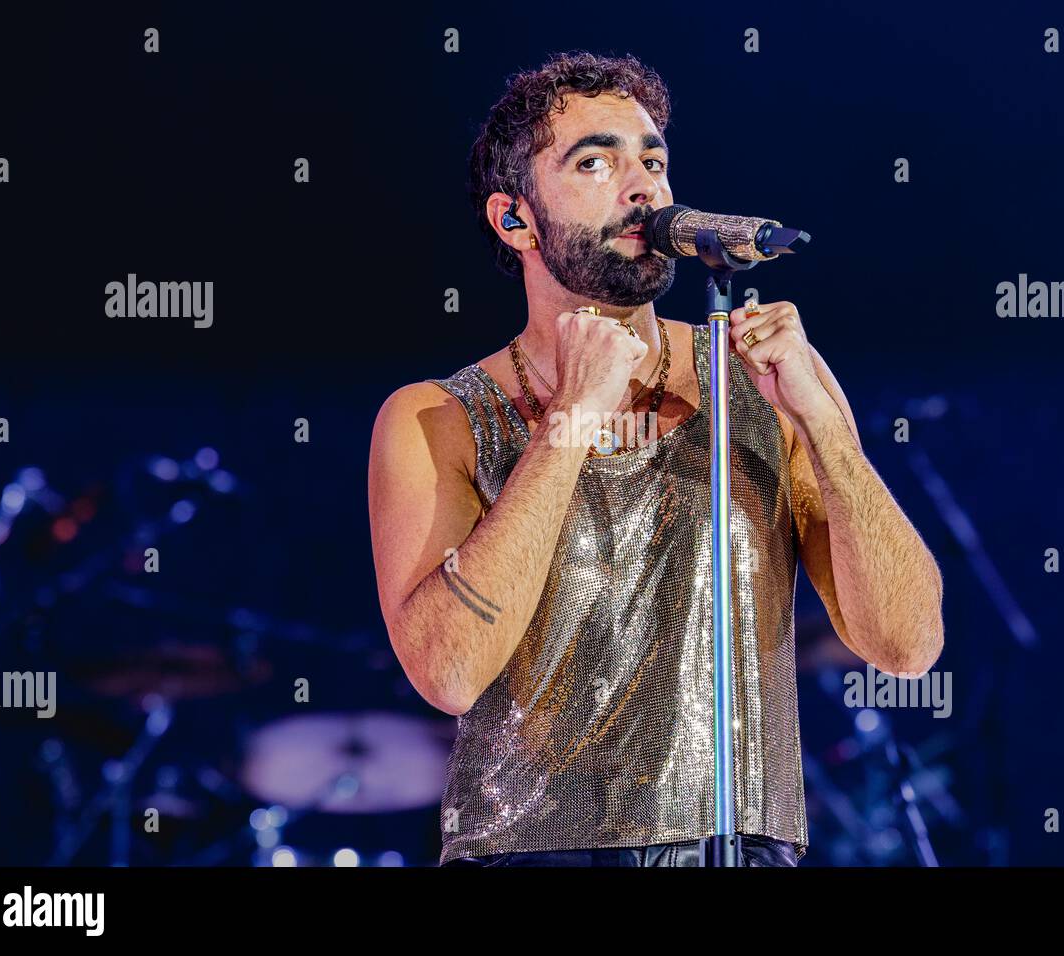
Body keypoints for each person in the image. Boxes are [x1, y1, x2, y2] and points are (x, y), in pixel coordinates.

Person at [367, 51, 944, 867]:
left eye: (653, 160)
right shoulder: (436, 417)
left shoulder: (762, 381)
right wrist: (571, 417)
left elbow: (907, 646)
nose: (642, 186)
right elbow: (449, 671)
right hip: (535, 855)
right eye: (595, 161)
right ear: (514, 219)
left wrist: (824, 429)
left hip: (746, 847)